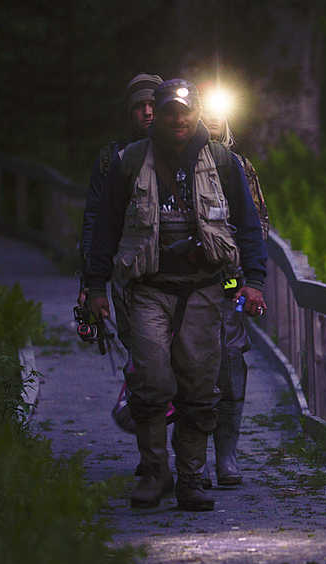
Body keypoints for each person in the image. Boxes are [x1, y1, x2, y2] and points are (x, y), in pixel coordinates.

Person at [85, 78, 268, 511]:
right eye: (169, 111)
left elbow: (248, 225)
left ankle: (191, 478)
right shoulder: (129, 162)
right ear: (159, 114)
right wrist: (94, 287)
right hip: (148, 290)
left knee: (201, 387)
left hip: (205, 291)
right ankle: (153, 472)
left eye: (184, 111)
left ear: (196, 113)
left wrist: (254, 281)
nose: (177, 119)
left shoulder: (224, 163)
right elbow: (105, 227)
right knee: (150, 381)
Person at [192, 106, 271, 488]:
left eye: (217, 113)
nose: (210, 120)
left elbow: (258, 224)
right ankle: (194, 458)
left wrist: (250, 279)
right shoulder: (174, 161)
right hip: (187, 282)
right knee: (189, 367)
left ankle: (227, 454)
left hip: (230, 284)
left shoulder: (239, 167)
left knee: (231, 361)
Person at [78, 73, 163, 305]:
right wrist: (92, 281)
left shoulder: (184, 155)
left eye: (153, 105)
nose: (148, 112)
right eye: (140, 106)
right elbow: (95, 220)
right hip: (129, 273)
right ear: (129, 112)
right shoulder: (111, 159)